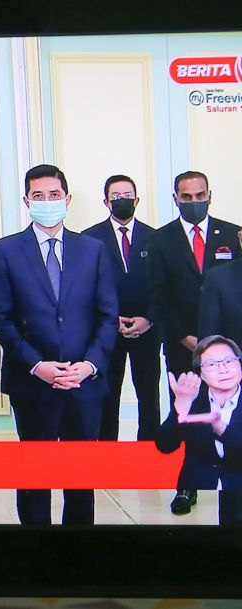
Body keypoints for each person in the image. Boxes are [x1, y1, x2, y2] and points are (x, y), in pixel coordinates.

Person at [0, 164, 118, 525]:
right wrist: (37, 365)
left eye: (54, 195)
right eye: (39, 196)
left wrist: (90, 364)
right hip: (32, 383)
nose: (47, 202)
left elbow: (108, 316)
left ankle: (76, 553)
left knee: (80, 478)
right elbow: (0, 317)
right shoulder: (6, 251)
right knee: (34, 475)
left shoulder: (92, 250)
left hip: (84, 382)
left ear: (67, 198)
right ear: (26, 201)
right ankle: (36, 551)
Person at [146, 170, 242, 515]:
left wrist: (220, 350)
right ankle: (189, 485)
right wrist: (189, 341)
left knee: (234, 416)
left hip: (232, 354)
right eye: (186, 197)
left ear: (210, 195)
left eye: (199, 195)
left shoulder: (232, 233)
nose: (194, 201)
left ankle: (233, 480)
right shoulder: (160, 241)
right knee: (190, 415)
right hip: (182, 346)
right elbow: (157, 298)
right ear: (175, 199)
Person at [82, 175, 160, 441]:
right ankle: (107, 453)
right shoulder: (89, 239)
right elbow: (84, 287)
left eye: (127, 196)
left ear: (137, 200)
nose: (122, 201)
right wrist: (110, 320)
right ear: (106, 202)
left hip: (147, 330)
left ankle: (149, 452)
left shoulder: (155, 237)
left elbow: (162, 284)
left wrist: (148, 318)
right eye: (116, 197)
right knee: (107, 394)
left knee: (149, 393)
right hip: (107, 330)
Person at [157, 335, 242, 524]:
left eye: (229, 361)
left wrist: (220, 427)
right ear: (201, 373)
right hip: (201, 480)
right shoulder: (194, 399)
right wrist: (180, 409)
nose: (223, 369)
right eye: (212, 364)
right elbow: (164, 445)